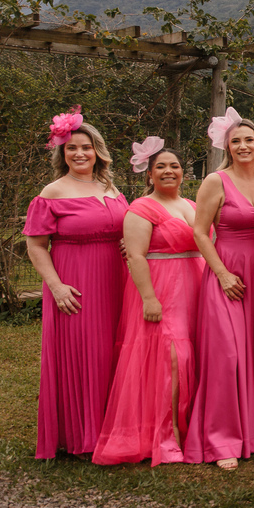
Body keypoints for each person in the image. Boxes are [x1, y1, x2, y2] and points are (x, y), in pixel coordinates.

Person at [93, 141, 205, 465]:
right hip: (162, 287)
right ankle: (166, 436)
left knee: (195, 354)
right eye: (161, 167)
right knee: (172, 358)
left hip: (194, 285)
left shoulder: (192, 204)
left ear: (184, 172)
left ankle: (193, 430)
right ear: (150, 174)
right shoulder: (141, 208)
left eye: (174, 166)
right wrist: (149, 298)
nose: (169, 171)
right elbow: (136, 256)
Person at [24, 108, 127, 459]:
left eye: (86, 147)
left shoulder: (110, 187)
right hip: (75, 281)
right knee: (86, 354)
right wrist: (55, 286)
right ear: (61, 153)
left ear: (98, 150)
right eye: (71, 148)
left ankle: (116, 429)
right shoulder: (52, 192)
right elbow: (35, 245)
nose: (80, 153)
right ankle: (82, 435)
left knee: (115, 350)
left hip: (116, 278)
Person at [183, 110, 254, 470]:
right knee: (227, 355)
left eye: (249, 140)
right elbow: (199, 232)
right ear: (227, 146)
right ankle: (221, 439)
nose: (243, 146)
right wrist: (223, 274)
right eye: (236, 141)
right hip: (228, 272)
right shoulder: (215, 181)